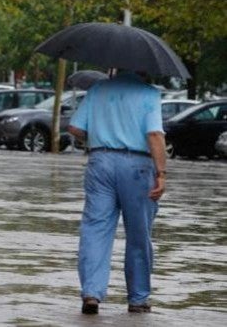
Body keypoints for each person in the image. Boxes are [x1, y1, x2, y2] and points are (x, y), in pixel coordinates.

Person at [68, 70, 166, 315]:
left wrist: (100, 135)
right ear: (144, 67)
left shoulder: (98, 89)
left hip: (100, 162)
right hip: (137, 166)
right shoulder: (149, 94)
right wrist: (162, 173)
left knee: (95, 229)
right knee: (138, 234)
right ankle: (138, 299)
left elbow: (75, 128)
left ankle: (92, 293)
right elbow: (154, 134)